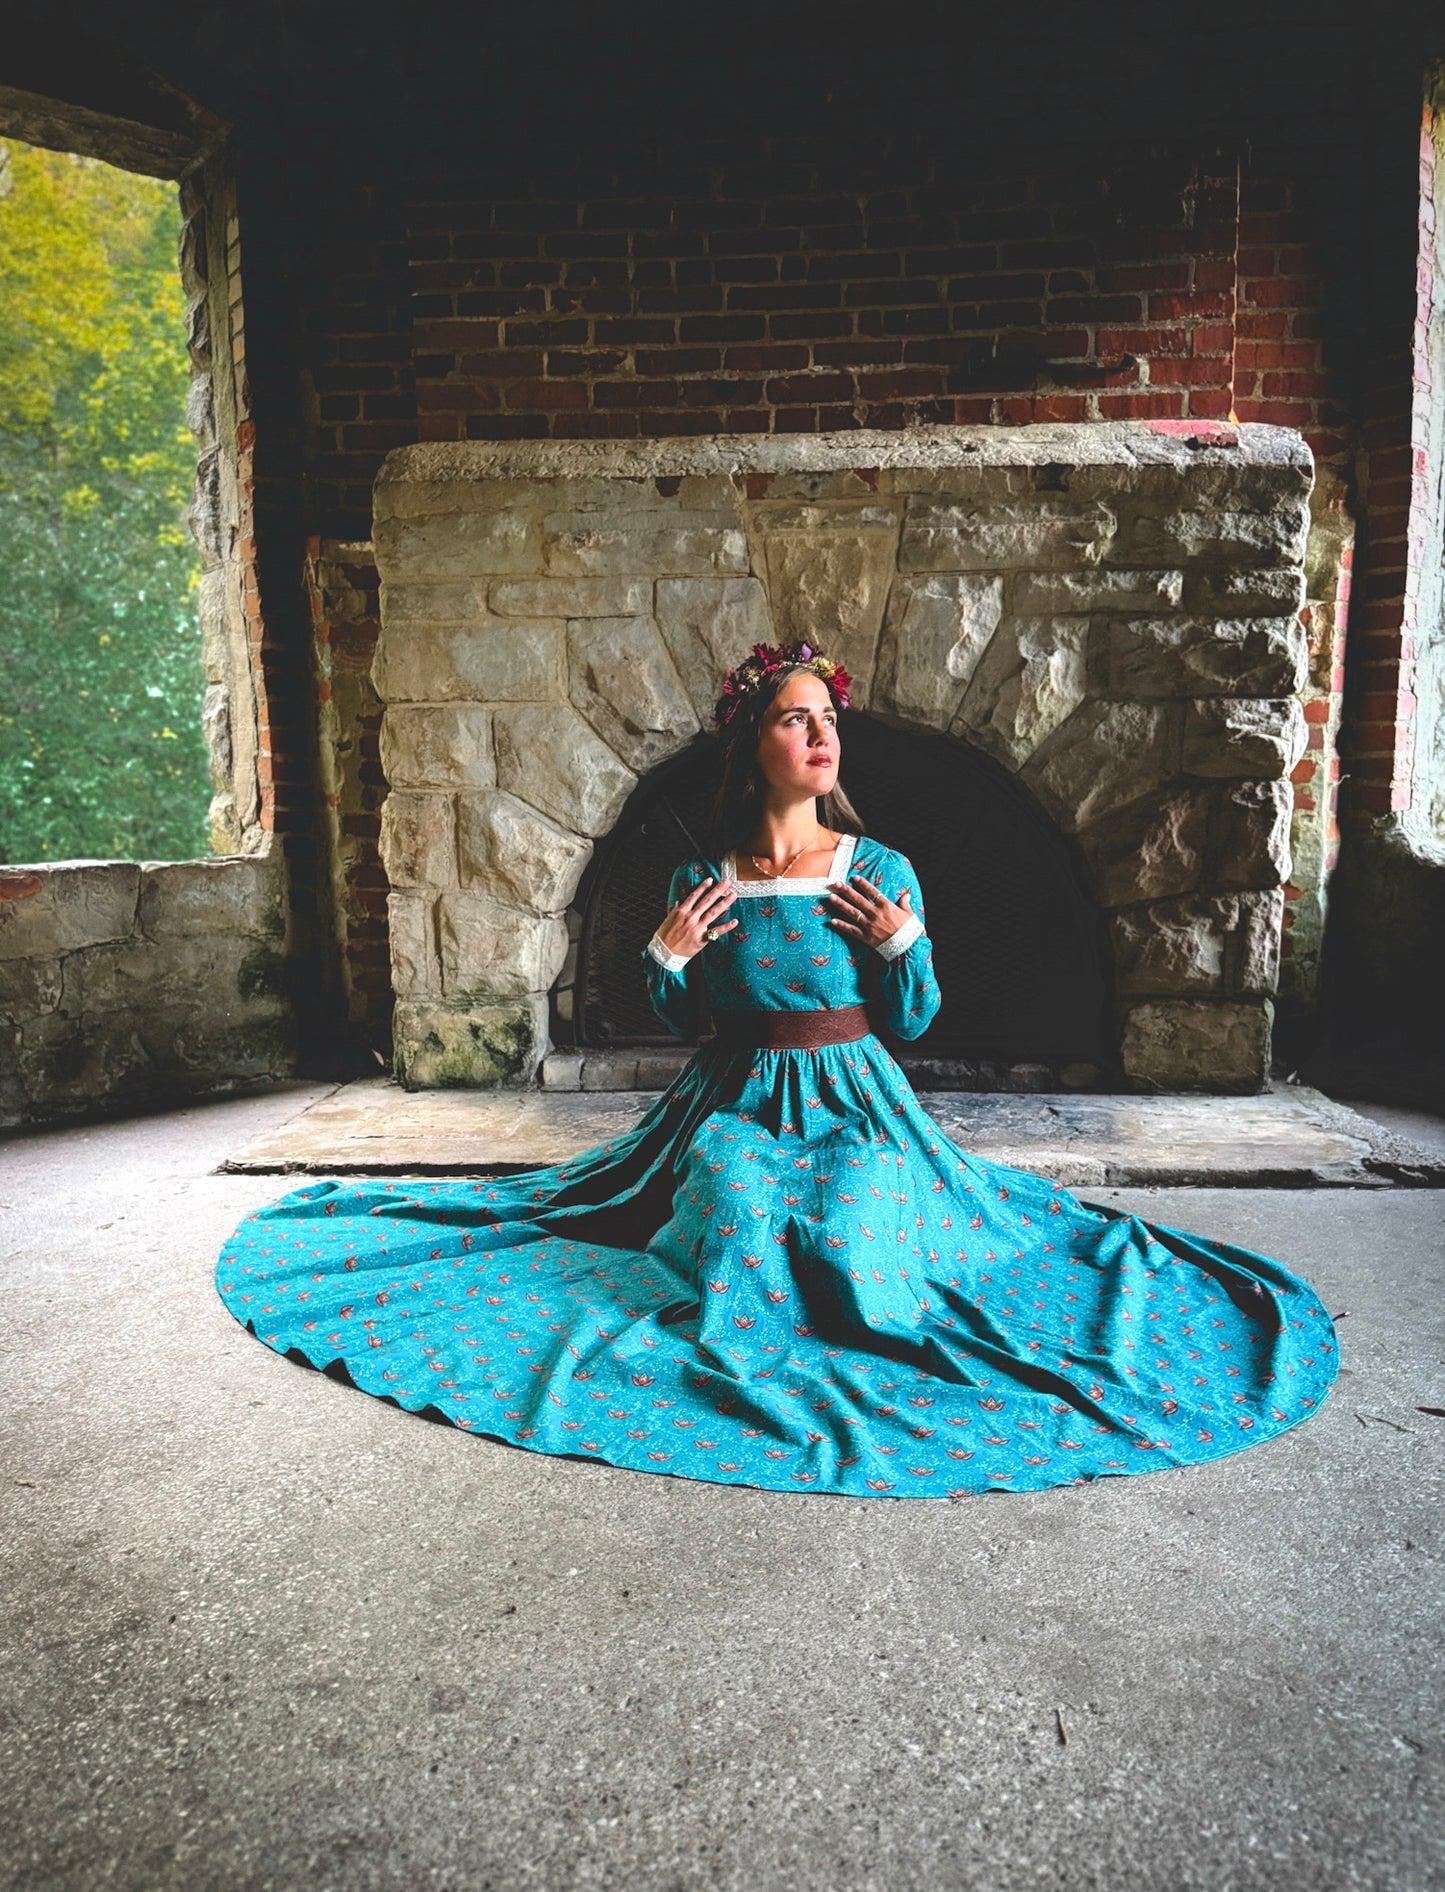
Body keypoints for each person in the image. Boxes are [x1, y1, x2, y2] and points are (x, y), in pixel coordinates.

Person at [216, 640, 1338, 1497]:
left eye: (825, 719)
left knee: (852, 1239)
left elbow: (914, 1014)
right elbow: (671, 1012)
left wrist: (900, 942)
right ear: (751, 742)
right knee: (740, 1209)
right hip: (731, 1101)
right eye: (793, 718)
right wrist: (666, 955)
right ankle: (738, 1360)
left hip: (857, 1100)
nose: (818, 734)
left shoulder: (880, 865)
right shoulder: (703, 873)